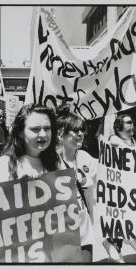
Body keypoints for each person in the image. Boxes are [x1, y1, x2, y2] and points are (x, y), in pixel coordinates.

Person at [56, 106, 96, 263]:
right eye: (75, 131)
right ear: (61, 134)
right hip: (59, 237)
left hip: (85, 234)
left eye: (82, 130)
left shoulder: (87, 158)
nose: (81, 134)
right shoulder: (50, 162)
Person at [0, 103, 59, 186]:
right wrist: (20, 188)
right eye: (35, 129)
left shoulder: (57, 162)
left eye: (47, 128)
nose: (43, 134)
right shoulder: (4, 164)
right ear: (20, 132)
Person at [102, 113, 136, 263]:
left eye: (132, 123)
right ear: (118, 127)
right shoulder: (114, 141)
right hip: (118, 195)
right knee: (117, 232)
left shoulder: (133, 142)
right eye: (128, 123)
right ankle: (114, 254)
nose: (131, 125)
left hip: (132, 192)